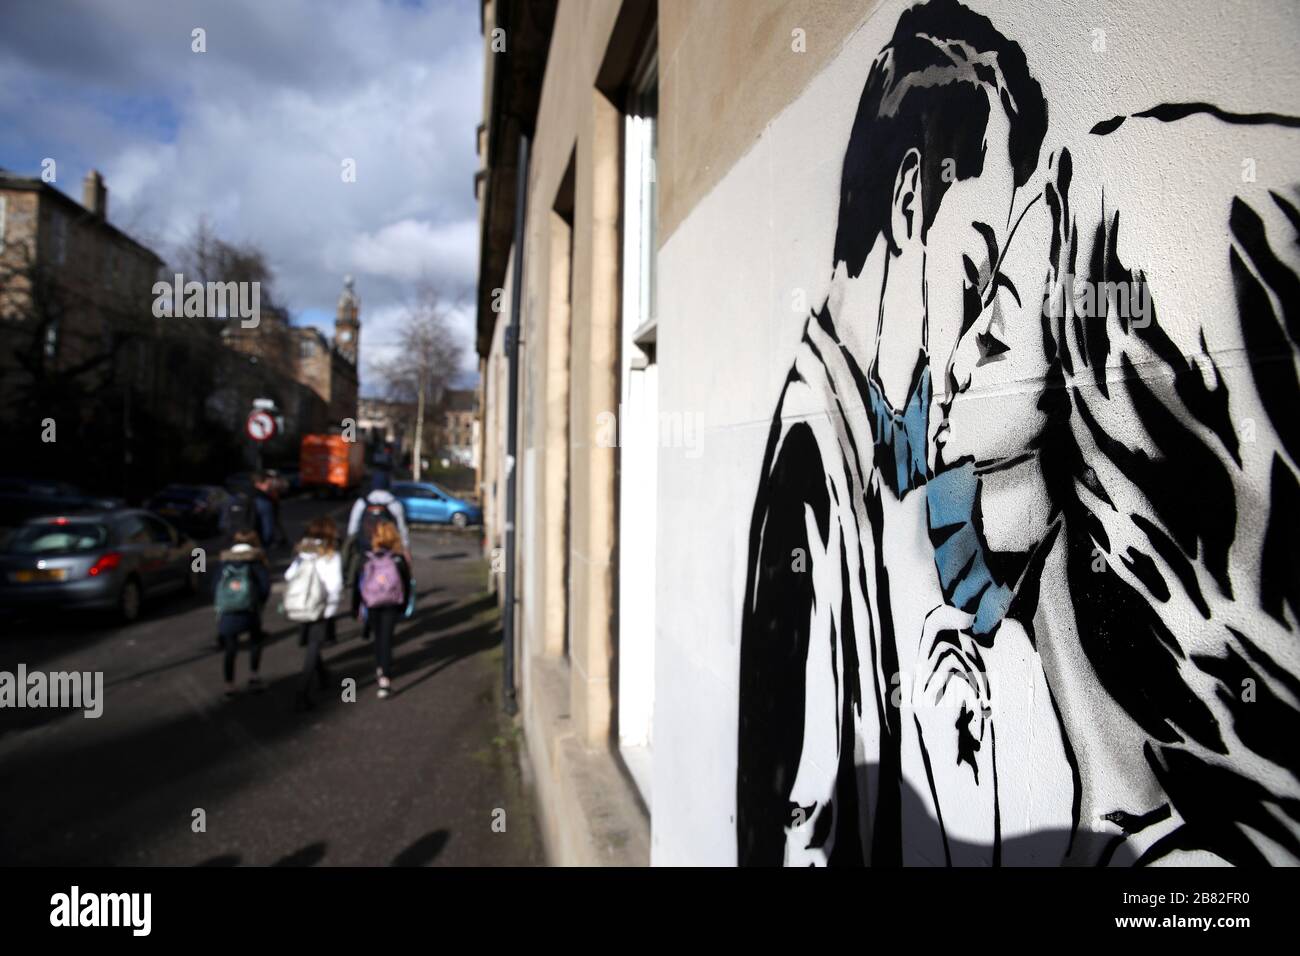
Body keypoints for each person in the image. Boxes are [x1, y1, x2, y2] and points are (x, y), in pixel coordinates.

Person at [736, 0, 1048, 866]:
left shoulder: (899, 436)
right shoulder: (811, 462)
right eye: (979, 265)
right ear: (911, 201)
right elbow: (800, 832)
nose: (983, 321)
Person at [285, 516, 345, 711]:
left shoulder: (303, 552)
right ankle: (302, 692)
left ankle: (323, 676)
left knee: (313, 643)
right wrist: (332, 608)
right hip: (321, 606)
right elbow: (335, 585)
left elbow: (288, 575)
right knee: (314, 646)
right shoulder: (330, 555)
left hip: (302, 604)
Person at [344, 473, 411, 637]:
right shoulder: (394, 504)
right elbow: (402, 530)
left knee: (362, 582)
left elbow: (352, 528)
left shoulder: (362, 503)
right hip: (388, 553)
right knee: (390, 581)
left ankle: (361, 612)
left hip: (365, 552)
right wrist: (405, 550)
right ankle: (392, 611)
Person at [356, 521, 410, 700]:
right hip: (391, 604)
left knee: (378, 637)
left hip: (372, 602)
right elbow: (406, 585)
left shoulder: (368, 558)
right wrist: (404, 606)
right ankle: (385, 680)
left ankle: (380, 666)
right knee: (387, 638)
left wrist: (357, 606)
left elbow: (359, 584)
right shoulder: (398, 559)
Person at [214, 529, 271, 698]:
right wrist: (259, 603)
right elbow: (264, 588)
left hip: (228, 611)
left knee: (230, 648)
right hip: (249, 610)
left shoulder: (225, 561)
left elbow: (215, 586)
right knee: (255, 641)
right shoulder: (255, 561)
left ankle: (229, 684)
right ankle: (253, 676)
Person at [250, 472, 278, 551]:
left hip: (253, 536)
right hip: (261, 540)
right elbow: (268, 525)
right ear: (258, 484)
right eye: (268, 483)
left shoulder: (251, 495)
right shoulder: (263, 500)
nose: (270, 486)